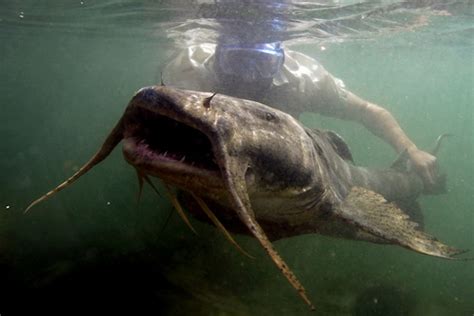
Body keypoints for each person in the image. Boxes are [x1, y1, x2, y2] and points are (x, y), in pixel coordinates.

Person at [162, 38, 438, 190]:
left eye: (263, 63)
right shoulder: (190, 69)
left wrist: (412, 150)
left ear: (280, 59)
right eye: (237, 62)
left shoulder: (305, 78)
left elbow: (367, 111)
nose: (249, 77)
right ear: (217, 56)